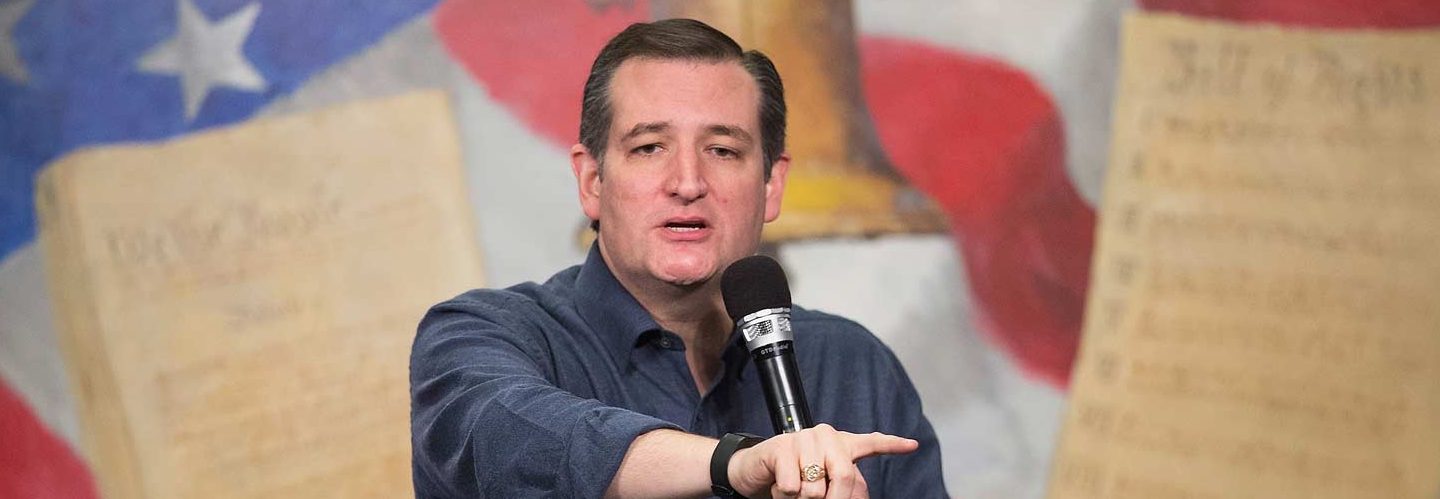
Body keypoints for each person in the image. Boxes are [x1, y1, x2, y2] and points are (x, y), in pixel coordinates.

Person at [410, 18, 947, 498]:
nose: (688, 183)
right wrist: (735, 464)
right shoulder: (478, 336)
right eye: (649, 147)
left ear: (771, 185)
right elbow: (517, 445)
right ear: (592, 181)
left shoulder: (854, 367)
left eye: (723, 150)